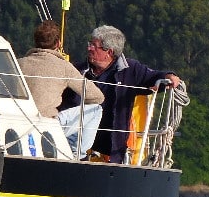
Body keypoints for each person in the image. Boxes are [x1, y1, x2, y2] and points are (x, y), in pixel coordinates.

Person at [76, 25, 181, 163]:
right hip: (79, 148)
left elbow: (153, 76)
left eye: (94, 46)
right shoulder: (78, 70)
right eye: (90, 44)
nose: (89, 48)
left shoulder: (131, 70)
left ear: (109, 52)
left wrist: (170, 76)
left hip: (113, 151)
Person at [18, 20, 104, 157]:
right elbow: (98, 97)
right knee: (96, 109)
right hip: (48, 124)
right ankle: (77, 153)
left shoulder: (19, 64)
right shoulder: (63, 67)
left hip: (19, 122)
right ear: (58, 44)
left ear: (35, 41)